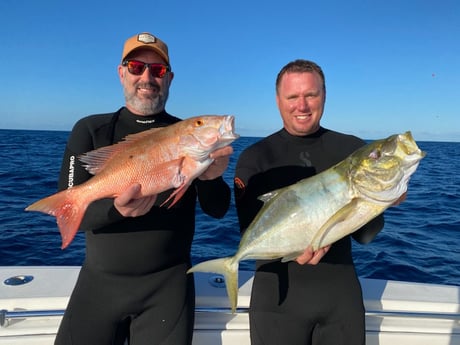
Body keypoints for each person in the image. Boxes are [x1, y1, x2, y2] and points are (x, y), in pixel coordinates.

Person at [54, 32, 233, 345]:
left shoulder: (184, 135)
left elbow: (217, 210)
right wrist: (116, 209)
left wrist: (211, 177)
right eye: (136, 67)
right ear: (121, 73)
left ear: (170, 79)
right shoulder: (90, 129)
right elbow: (73, 209)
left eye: (158, 71)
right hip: (100, 284)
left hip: (169, 287)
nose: (147, 77)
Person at [234, 59, 405, 345]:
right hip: (276, 302)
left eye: (311, 95)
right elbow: (251, 233)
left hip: (339, 301)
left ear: (324, 95)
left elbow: (366, 235)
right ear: (278, 100)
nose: (302, 106)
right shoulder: (255, 158)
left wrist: (385, 197)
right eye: (292, 97)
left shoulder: (352, 149)